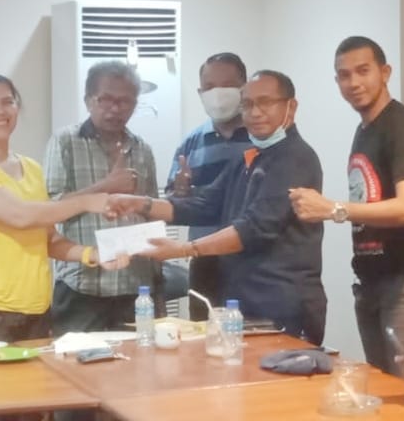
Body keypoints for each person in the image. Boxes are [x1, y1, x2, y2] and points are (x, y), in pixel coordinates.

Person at [110, 70, 327, 343]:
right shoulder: (249, 156)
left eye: (265, 102)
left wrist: (186, 249)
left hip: (282, 303)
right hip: (242, 302)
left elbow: (254, 227)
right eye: (247, 104)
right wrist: (141, 204)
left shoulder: (295, 158)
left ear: (290, 107)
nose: (255, 112)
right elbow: (204, 205)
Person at [290, 36, 404, 374]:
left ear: (385, 72)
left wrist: (333, 209)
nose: (354, 83)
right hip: (372, 280)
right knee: (382, 387)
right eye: (344, 75)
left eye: (363, 71)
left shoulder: (403, 127)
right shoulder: (366, 130)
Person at [0, 74, 128, 344]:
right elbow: (19, 215)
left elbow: (48, 239)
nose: (0, 111)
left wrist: (92, 254)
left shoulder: (31, 168)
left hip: (38, 308)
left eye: (8, 102)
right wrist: (86, 201)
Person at [44, 61, 164, 334]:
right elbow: (50, 208)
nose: (115, 108)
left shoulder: (143, 149)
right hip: (82, 283)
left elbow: (152, 211)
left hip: (135, 284)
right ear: (88, 100)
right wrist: (106, 186)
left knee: (139, 359)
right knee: (75, 359)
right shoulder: (64, 141)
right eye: (106, 99)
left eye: (125, 101)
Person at [165, 52, 251, 319]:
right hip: (204, 260)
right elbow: (173, 202)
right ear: (200, 92)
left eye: (227, 85)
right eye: (210, 87)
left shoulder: (260, 137)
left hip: (253, 258)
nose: (218, 94)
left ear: (244, 86)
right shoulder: (191, 143)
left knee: (252, 335)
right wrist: (180, 194)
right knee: (202, 334)